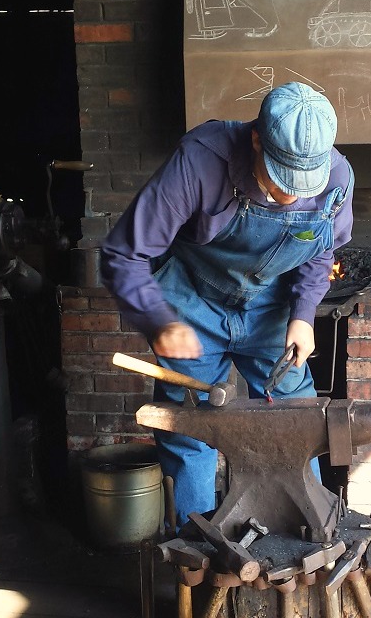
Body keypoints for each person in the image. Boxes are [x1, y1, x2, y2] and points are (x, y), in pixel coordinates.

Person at [100, 81, 355, 525]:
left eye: (302, 184)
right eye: (281, 180)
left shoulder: (336, 179)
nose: (291, 196)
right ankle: (197, 554)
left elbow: (320, 251)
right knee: (189, 430)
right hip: (192, 302)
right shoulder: (200, 161)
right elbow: (124, 253)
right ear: (256, 139)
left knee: (296, 423)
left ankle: (305, 539)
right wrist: (158, 321)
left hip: (271, 307)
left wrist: (303, 315)